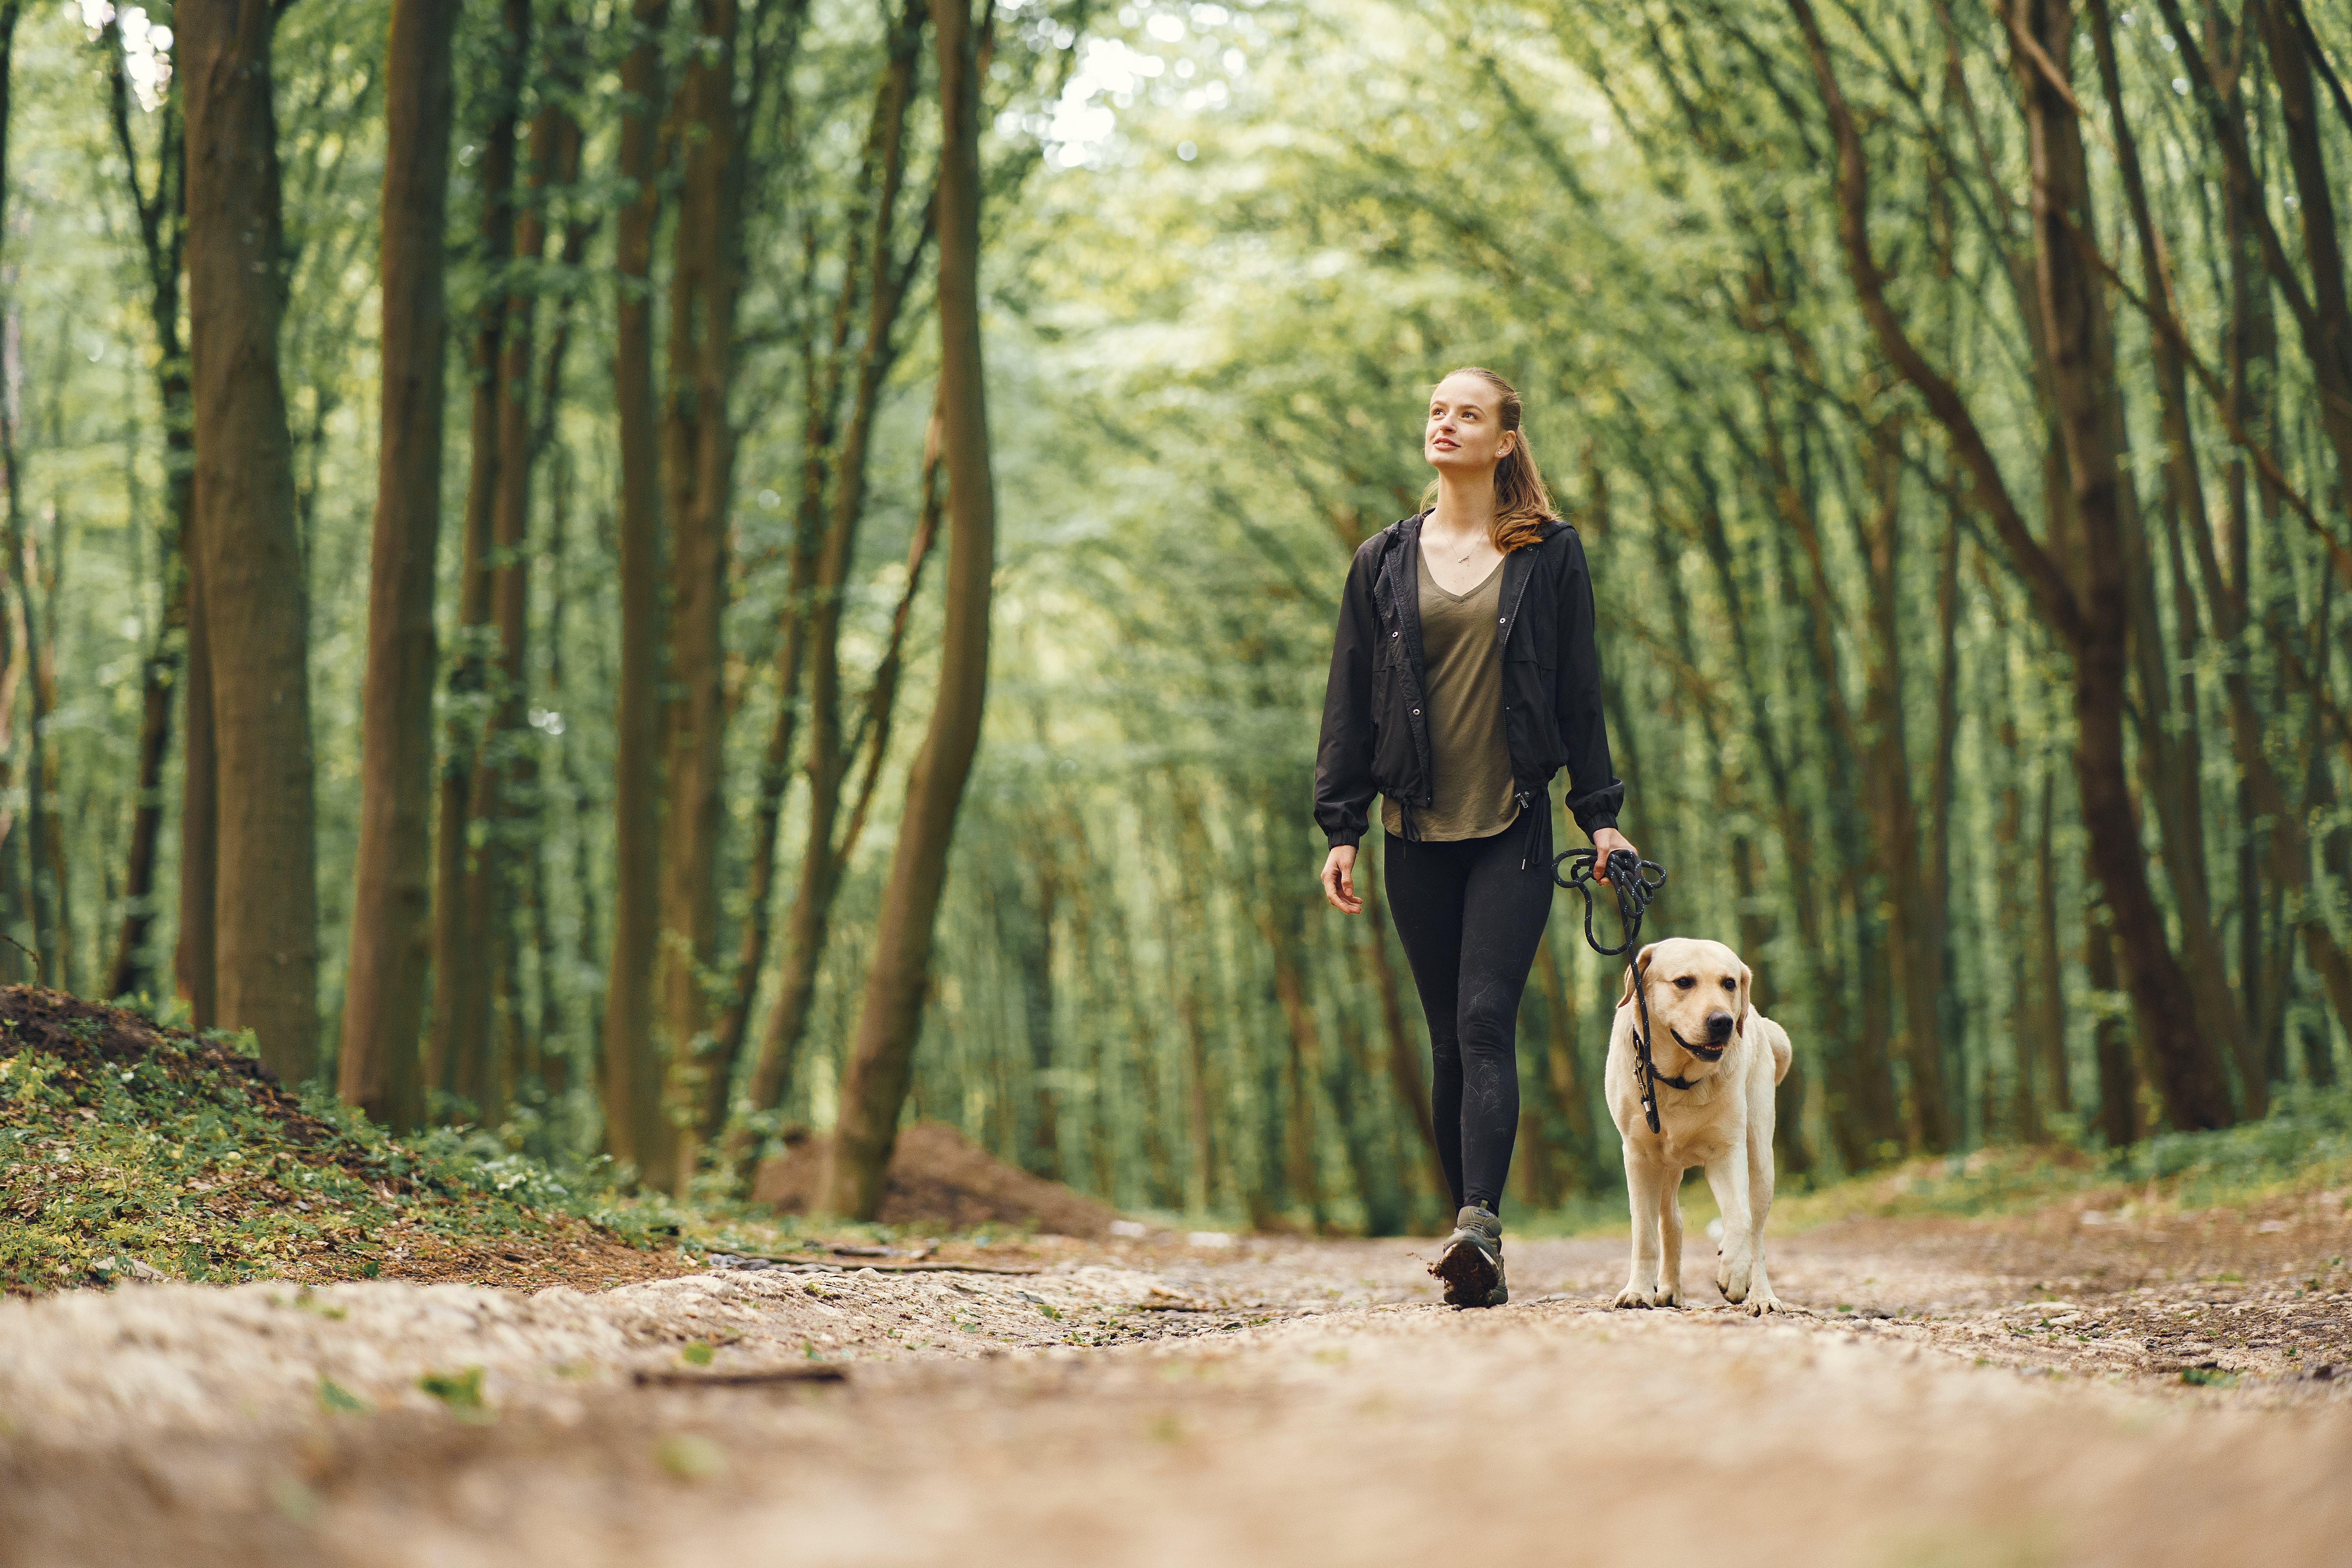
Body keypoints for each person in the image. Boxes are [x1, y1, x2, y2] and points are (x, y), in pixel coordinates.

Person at [1312, 367, 1633, 1308]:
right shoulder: (1380, 559)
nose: (1445, 424)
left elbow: (1580, 690)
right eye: (1436, 411)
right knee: (1448, 1042)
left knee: (1488, 1017)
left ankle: (1481, 1225)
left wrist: (1602, 813)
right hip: (1414, 824)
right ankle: (1472, 1244)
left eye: (1467, 413)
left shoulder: (1549, 554)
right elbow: (1348, 697)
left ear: (1505, 440)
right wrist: (1343, 825)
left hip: (1515, 824)